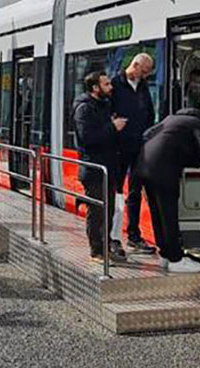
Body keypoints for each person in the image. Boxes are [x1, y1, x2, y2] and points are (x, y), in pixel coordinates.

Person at [134, 108, 200, 273]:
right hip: (163, 170)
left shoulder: (172, 119)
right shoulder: (199, 125)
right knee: (169, 215)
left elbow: (148, 134)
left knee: (158, 213)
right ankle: (176, 259)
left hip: (144, 166)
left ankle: (165, 255)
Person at [73, 71, 127, 263]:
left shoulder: (104, 105)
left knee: (108, 211)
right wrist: (113, 127)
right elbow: (87, 138)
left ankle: (104, 248)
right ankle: (96, 251)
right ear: (95, 88)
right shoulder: (84, 109)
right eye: (106, 84)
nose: (110, 87)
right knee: (97, 213)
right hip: (94, 170)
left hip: (108, 168)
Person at [110, 53, 157, 254]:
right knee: (117, 192)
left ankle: (134, 236)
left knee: (135, 192)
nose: (145, 76)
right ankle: (112, 237)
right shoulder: (114, 85)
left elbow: (150, 114)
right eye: (144, 71)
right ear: (135, 65)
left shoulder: (143, 87)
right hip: (119, 149)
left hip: (139, 148)